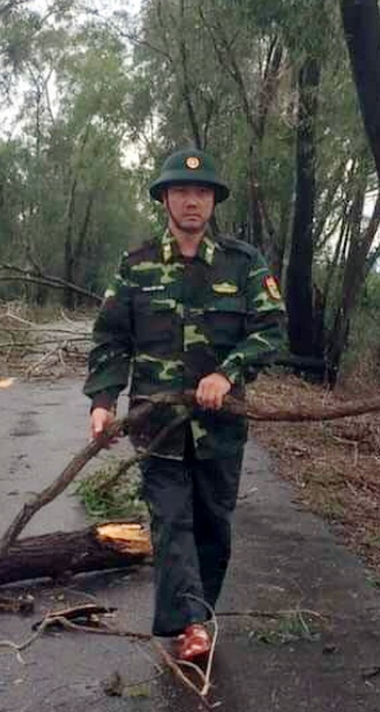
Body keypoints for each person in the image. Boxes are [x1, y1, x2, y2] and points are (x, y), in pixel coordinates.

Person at [83, 146, 287, 662]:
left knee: (213, 524)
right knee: (171, 522)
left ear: (213, 201)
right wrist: (103, 402)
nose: (191, 201)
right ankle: (191, 625)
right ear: (165, 200)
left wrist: (228, 372)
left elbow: (271, 329)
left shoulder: (244, 264)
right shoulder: (137, 266)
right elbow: (111, 340)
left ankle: (200, 612)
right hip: (158, 424)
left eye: (200, 192)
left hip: (220, 429)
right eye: (181, 192)